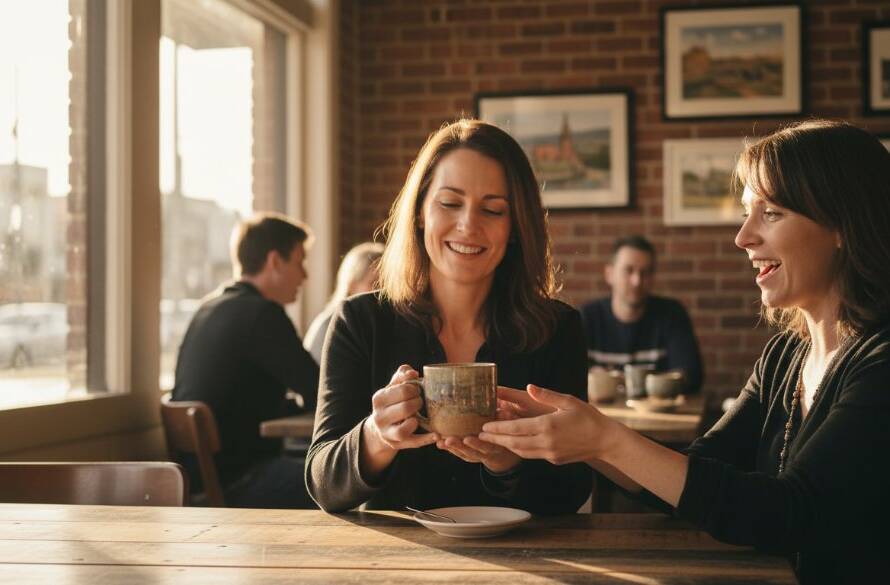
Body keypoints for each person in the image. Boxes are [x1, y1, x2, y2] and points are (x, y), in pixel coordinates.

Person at [479, 120, 890, 584]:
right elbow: (692, 479)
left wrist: (604, 439)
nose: (743, 238)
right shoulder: (783, 356)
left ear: (842, 224)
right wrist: (579, 434)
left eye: (771, 213)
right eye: (746, 214)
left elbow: (788, 514)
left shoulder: (880, 363)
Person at [305, 119, 592, 513]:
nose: (468, 225)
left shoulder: (557, 329)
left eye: (493, 210)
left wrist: (506, 462)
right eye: (450, 203)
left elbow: (573, 491)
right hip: (393, 568)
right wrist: (378, 435)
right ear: (421, 212)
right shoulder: (361, 321)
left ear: (515, 228)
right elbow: (324, 484)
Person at [172, 212, 319, 508]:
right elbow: (321, 391)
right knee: (349, 477)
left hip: (197, 482)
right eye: (299, 262)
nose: (304, 275)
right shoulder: (262, 315)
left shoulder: (208, 308)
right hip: (241, 482)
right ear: (275, 261)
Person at [580, 235, 703, 394]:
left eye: (645, 272)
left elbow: (692, 376)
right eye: (628, 270)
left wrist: (624, 381)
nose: (637, 281)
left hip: (658, 417)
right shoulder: (587, 317)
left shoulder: (672, 314)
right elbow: (566, 376)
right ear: (609, 274)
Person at [303, 241, 384, 364]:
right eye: (376, 284)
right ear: (352, 285)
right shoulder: (330, 325)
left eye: (388, 284)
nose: (383, 292)